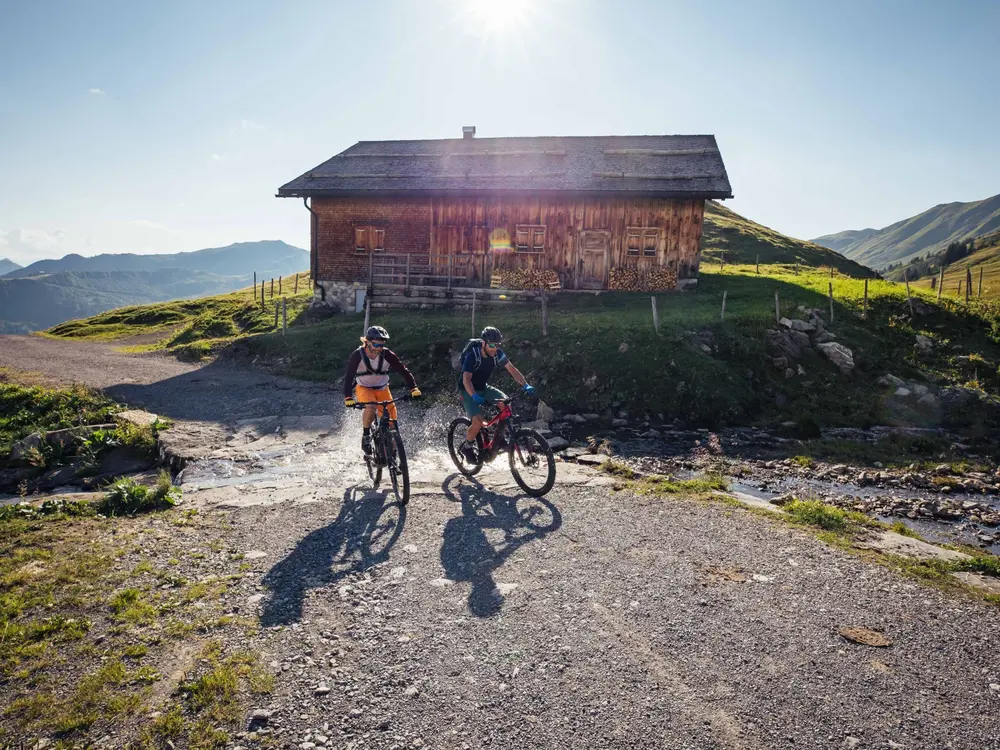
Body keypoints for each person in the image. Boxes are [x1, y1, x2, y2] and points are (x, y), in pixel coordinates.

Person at [457, 326, 534, 462]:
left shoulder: (498, 354)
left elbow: (512, 369)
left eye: (498, 345)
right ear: (484, 343)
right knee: (478, 421)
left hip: (484, 388)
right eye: (492, 345)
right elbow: (466, 379)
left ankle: (500, 438)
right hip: (467, 390)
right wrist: (474, 396)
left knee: (506, 405)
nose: (495, 348)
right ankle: (467, 447)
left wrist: (525, 384)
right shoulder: (473, 355)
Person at [343, 326, 421, 456]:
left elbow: (403, 370)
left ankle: (395, 456)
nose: (379, 348)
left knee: (392, 422)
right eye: (375, 344)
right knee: (371, 406)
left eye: (381, 345)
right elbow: (349, 376)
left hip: (383, 388)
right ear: (367, 342)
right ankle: (366, 435)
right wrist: (348, 397)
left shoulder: (387, 354)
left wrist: (413, 388)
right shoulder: (357, 355)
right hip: (364, 387)